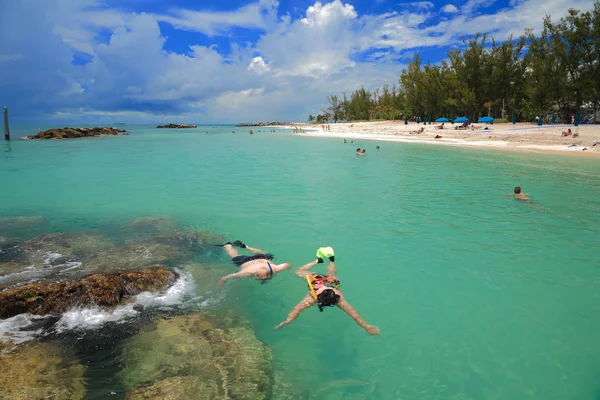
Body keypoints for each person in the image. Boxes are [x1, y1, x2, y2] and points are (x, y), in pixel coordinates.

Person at [275, 247, 380, 335]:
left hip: (317, 280)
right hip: (329, 281)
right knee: (331, 276)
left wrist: (288, 321)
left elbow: (296, 310)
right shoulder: (339, 298)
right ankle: (331, 261)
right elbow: (354, 314)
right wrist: (366, 326)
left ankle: (320, 261)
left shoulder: (312, 297)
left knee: (299, 271)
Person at [217, 240, 291, 286]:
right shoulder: (246, 273)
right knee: (234, 256)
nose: (263, 281)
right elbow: (224, 278)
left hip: (262, 258)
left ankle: (245, 247)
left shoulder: (275, 268)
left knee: (263, 254)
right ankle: (228, 246)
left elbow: (287, 265)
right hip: (246, 261)